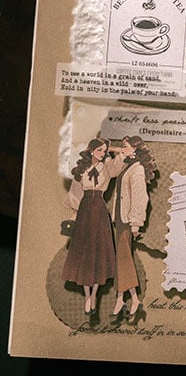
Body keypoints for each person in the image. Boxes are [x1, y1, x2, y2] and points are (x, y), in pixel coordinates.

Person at [61, 137, 125, 316]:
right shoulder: (82, 169)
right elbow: (75, 194)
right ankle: (87, 295)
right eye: (99, 150)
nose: (102, 153)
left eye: (104, 151)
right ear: (91, 150)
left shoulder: (107, 167)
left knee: (99, 251)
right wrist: (74, 216)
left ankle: (94, 295)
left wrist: (113, 150)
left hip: (99, 209)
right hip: (84, 211)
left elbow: (118, 166)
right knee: (84, 251)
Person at [110, 135, 156, 323]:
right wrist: (120, 154)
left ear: (135, 149)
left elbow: (140, 198)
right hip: (120, 218)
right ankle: (125, 299)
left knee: (124, 259)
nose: (122, 148)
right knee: (122, 259)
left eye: (125, 146)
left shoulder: (137, 169)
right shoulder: (126, 165)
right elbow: (112, 172)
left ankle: (130, 299)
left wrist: (136, 224)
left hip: (128, 221)